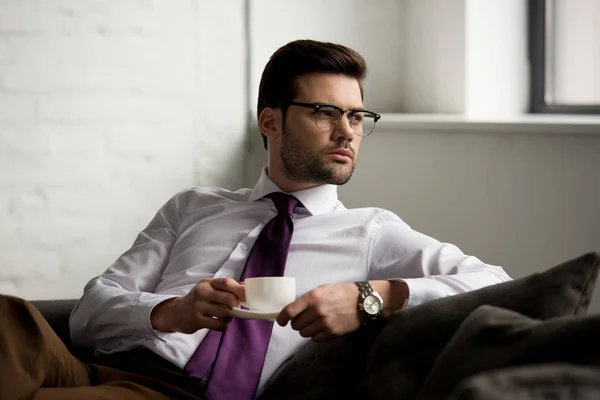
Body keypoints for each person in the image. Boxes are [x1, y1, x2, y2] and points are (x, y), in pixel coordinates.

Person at [0, 39, 511, 400]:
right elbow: (90, 313)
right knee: (6, 315)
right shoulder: (194, 205)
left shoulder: (372, 231)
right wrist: (170, 312)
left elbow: (495, 281)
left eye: (356, 116)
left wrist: (370, 297)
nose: (347, 132)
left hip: (172, 393)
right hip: (90, 367)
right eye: (324, 112)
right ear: (271, 121)